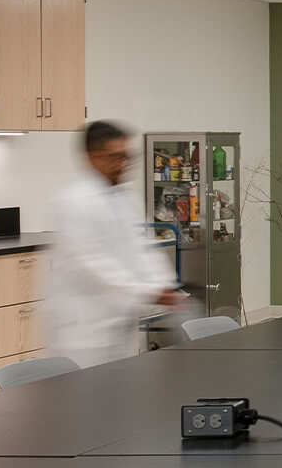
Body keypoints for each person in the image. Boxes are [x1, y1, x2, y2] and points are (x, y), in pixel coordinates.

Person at [45, 121, 187, 369]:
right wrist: (149, 292)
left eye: (126, 157)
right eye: (115, 157)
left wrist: (164, 283)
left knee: (118, 386)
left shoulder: (125, 198)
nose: (123, 164)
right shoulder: (74, 202)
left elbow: (141, 248)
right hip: (82, 330)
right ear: (93, 157)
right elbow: (93, 264)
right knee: (84, 390)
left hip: (117, 322)